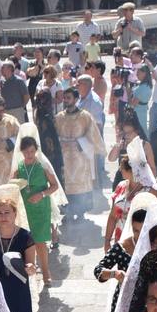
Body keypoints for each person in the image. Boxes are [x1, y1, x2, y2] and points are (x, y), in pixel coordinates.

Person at [12, 129, 64, 285]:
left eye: (32, 151)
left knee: (40, 241)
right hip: (24, 208)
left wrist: (41, 194)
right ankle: (28, 270)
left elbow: (55, 186)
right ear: (21, 151)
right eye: (26, 151)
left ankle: (46, 273)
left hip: (41, 207)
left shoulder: (42, 166)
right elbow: (12, 186)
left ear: (36, 150)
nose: (29, 154)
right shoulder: (18, 167)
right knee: (25, 240)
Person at [55, 86, 106, 222]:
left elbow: (93, 136)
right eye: (64, 98)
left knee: (81, 186)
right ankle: (68, 212)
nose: (66, 100)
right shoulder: (59, 117)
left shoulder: (85, 117)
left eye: (69, 98)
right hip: (65, 158)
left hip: (80, 158)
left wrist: (78, 143)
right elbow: (54, 137)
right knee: (66, 185)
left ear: (76, 99)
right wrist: (60, 142)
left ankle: (81, 213)